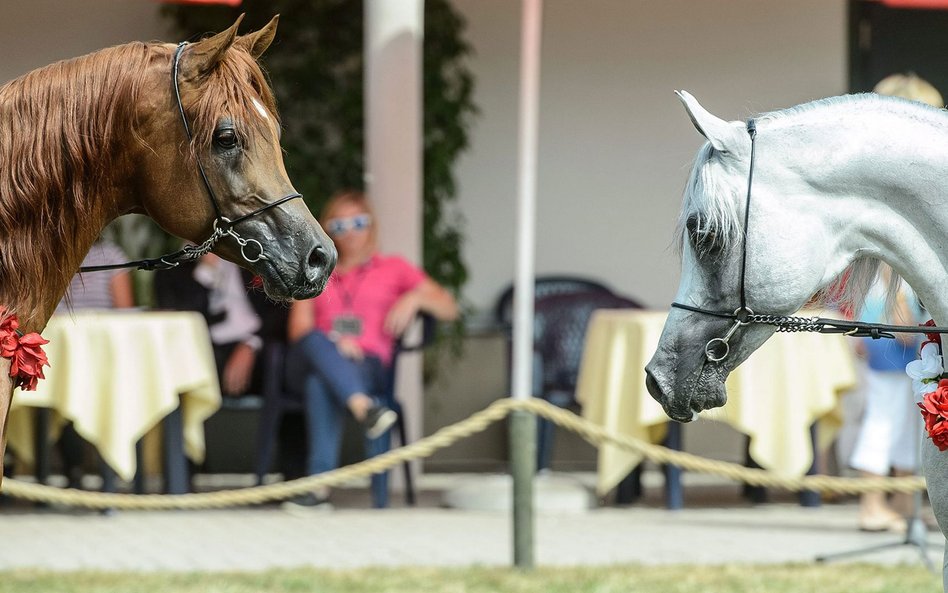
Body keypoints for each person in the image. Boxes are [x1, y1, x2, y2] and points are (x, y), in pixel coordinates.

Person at [283, 189, 459, 510]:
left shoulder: (394, 268)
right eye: (339, 225)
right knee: (318, 352)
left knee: (319, 384)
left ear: (372, 226)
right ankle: (366, 409)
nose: (349, 232)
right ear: (325, 230)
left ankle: (317, 491)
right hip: (317, 358)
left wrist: (415, 297)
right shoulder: (316, 269)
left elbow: (449, 307)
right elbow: (299, 332)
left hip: (370, 367)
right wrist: (336, 344)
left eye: (358, 223)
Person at [845, 73, 944, 533]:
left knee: (910, 413)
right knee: (885, 413)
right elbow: (886, 270)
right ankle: (871, 504)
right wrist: (900, 315)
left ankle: (903, 503)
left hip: (893, 322)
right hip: (888, 321)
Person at [54, 237, 134, 488]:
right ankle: (73, 472)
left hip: (103, 355)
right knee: (64, 395)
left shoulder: (111, 255)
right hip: (61, 354)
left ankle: (106, 478)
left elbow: (124, 311)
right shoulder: (52, 252)